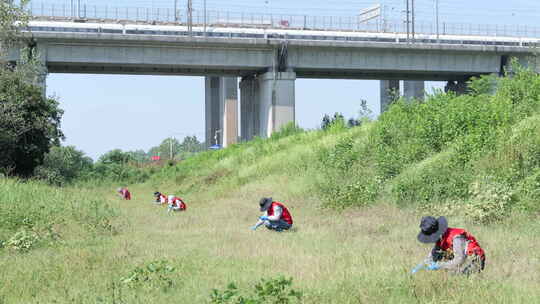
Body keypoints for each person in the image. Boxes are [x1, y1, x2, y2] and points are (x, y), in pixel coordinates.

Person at [414, 216, 486, 275]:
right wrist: (420, 266)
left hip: (474, 260)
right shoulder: (440, 239)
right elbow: (432, 257)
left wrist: (439, 266)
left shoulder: (457, 238)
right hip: (461, 259)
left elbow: (459, 260)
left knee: (458, 278)